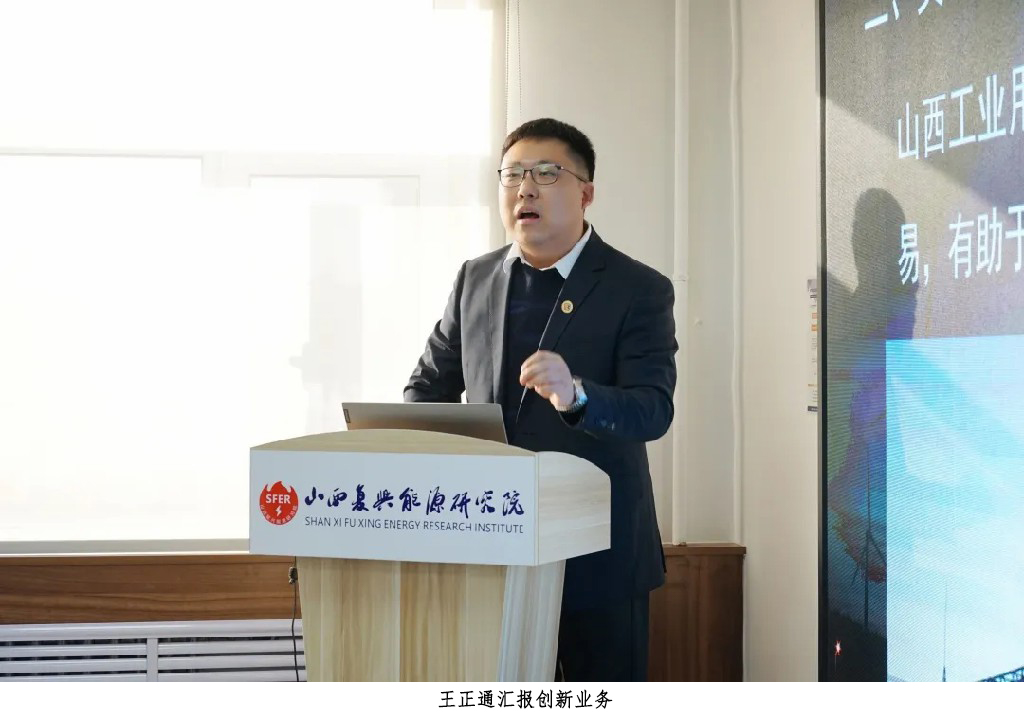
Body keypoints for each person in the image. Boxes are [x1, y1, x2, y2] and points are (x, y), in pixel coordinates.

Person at [404, 118, 678, 681]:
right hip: (492, 544)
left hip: (599, 554)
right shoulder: (475, 278)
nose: (525, 189)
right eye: (512, 175)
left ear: (586, 193)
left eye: (546, 173)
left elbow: (652, 410)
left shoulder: (637, 287)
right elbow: (427, 389)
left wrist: (577, 395)